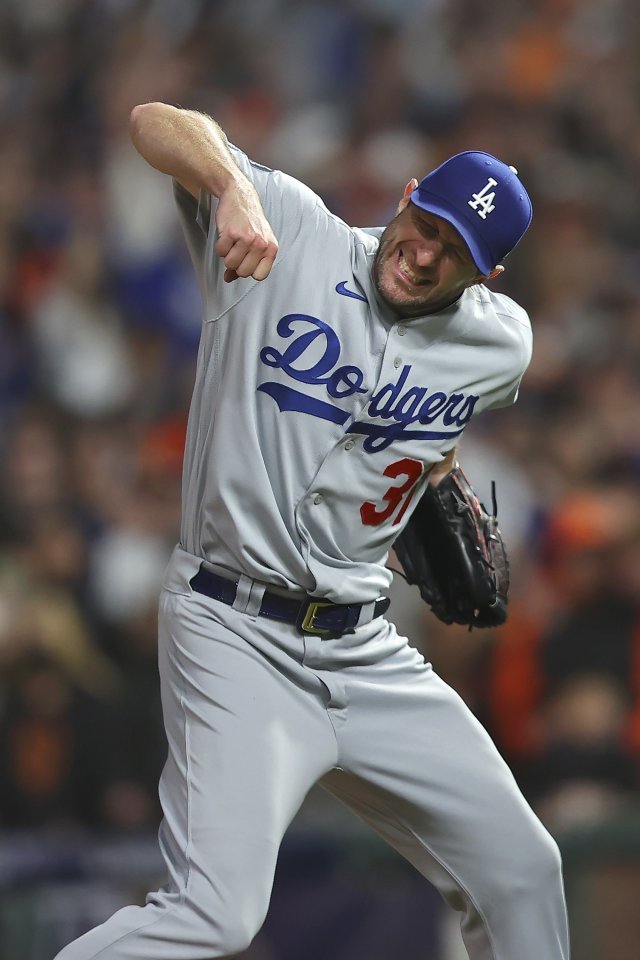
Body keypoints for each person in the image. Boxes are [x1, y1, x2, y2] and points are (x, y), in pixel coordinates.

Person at [54, 102, 569, 960]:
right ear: (405, 197)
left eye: (458, 252)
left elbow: (422, 442)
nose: (427, 250)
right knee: (215, 916)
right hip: (233, 631)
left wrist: (423, 474)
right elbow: (151, 121)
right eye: (427, 222)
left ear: (491, 274)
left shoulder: (500, 347)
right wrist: (229, 187)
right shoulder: (291, 229)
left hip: (364, 650)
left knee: (524, 869)